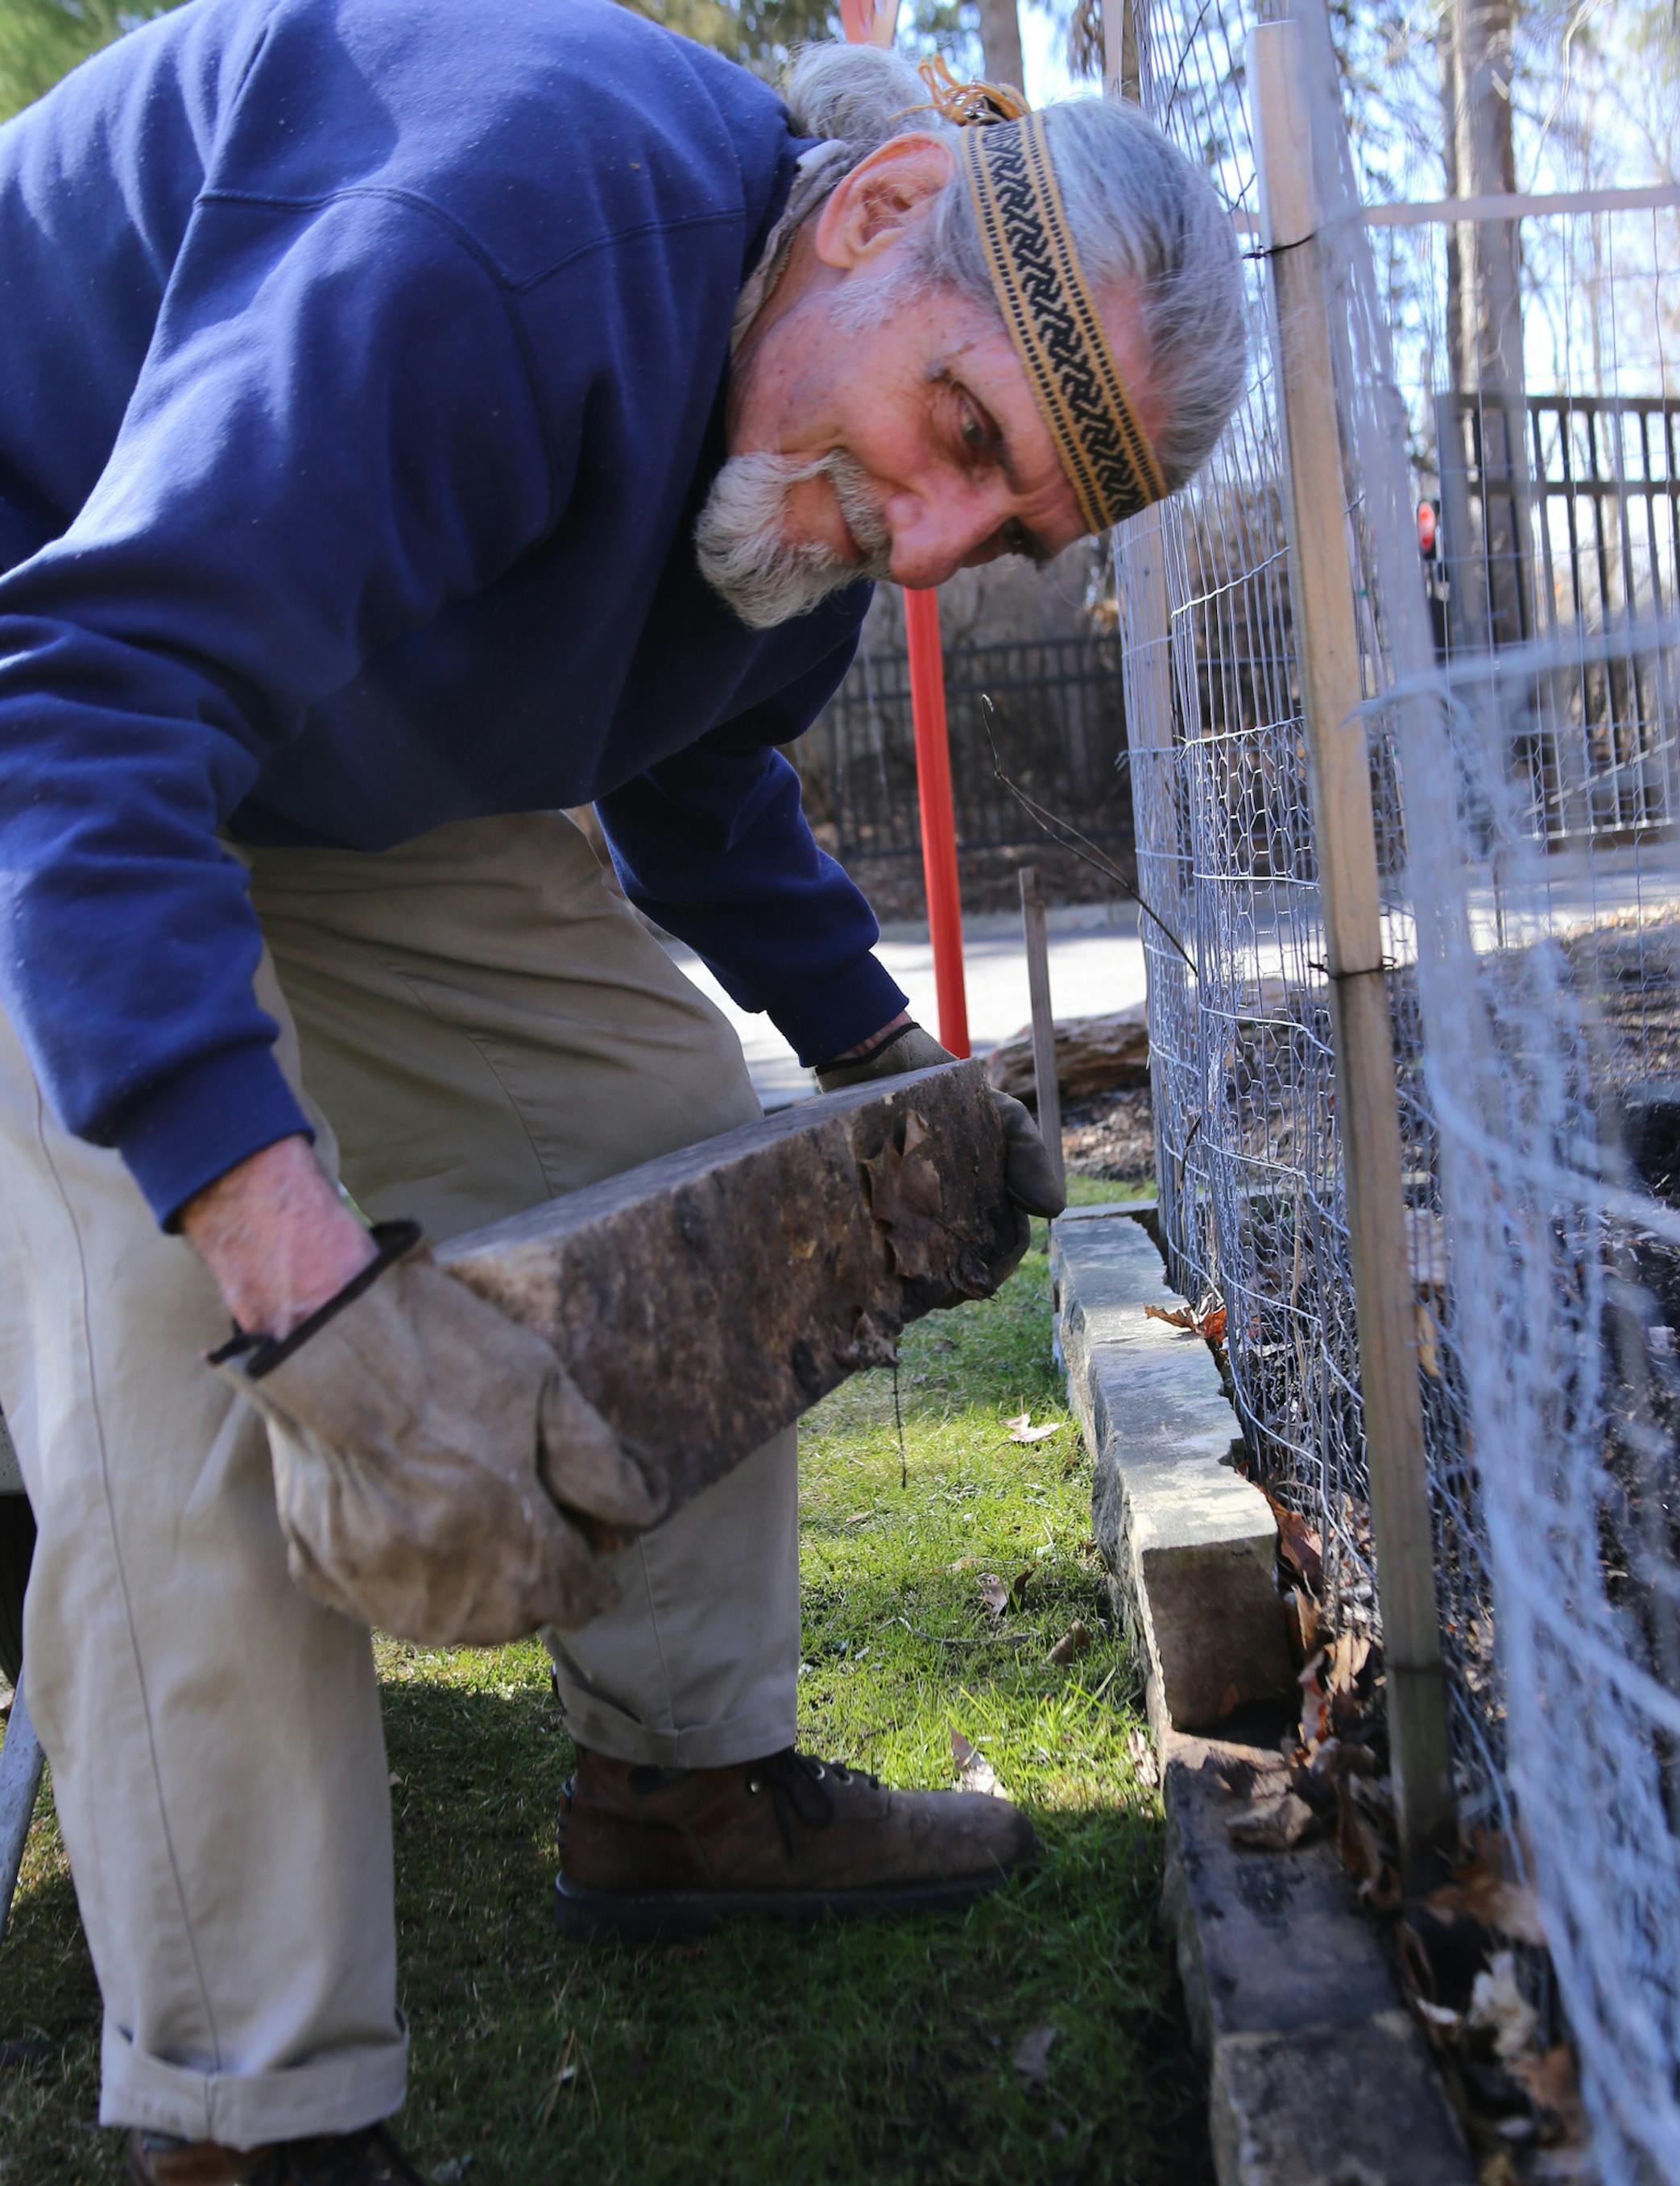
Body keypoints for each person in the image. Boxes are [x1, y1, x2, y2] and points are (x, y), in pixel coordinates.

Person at [0, 5, 1245, 2178]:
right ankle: (252, 2108)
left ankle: (681, 1790)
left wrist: (886, 1073)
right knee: (160, 1304)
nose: (942, 542)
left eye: (1011, 523)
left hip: (273, 721)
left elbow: (686, 754)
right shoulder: (508, 241)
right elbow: (96, 699)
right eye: (959, 426)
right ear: (870, 213)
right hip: (60, 674)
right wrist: (297, 1273)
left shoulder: (815, 474)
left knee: (673, 1107)